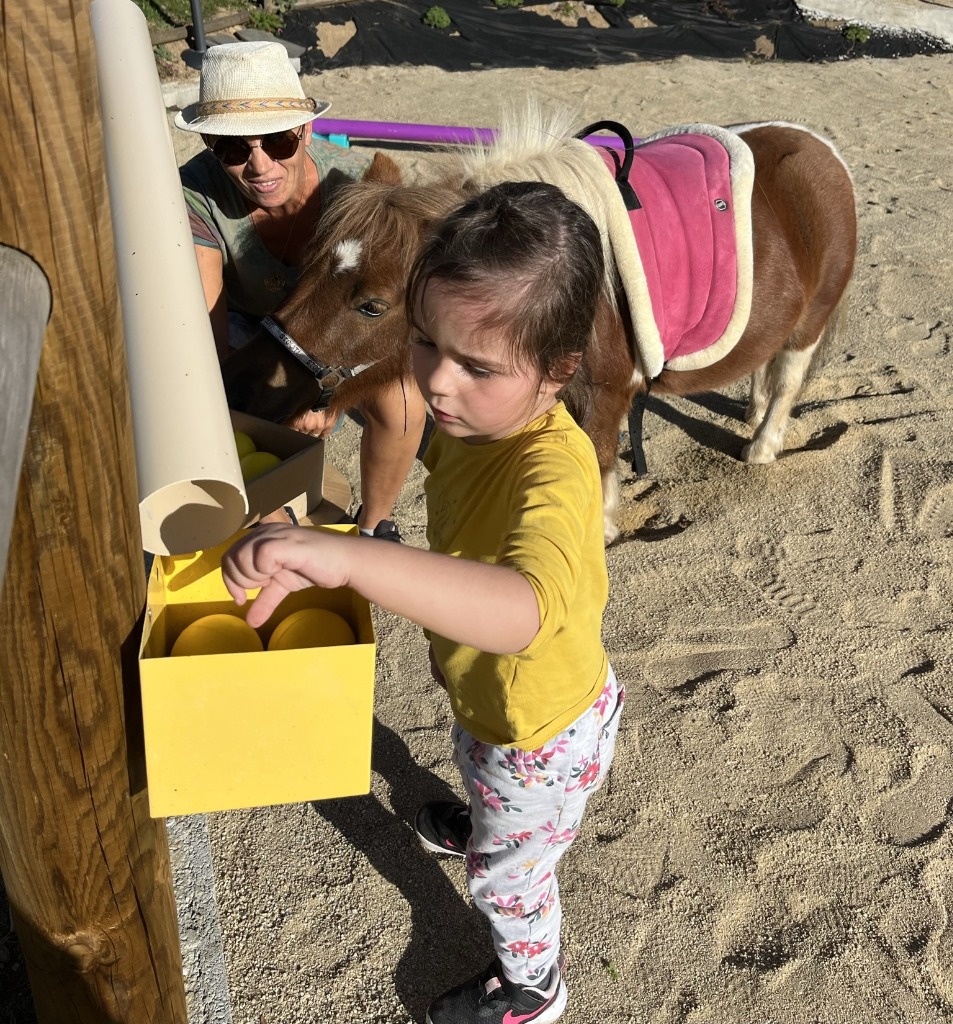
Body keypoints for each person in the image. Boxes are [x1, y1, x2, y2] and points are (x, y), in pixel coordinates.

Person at [220, 181, 625, 1024]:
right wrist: (340, 531)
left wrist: (350, 562)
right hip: (492, 707)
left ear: (558, 370)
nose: (439, 383)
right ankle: (485, 822)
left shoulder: (550, 469)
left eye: (477, 366)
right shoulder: (475, 421)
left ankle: (531, 988)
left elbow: (521, 610)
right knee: (477, 765)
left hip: (539, 731)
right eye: (425, 343)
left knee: (508, 881)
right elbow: (402, 428)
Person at [176, 40, 425, 538]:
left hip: (331, 329)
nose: (260, 166)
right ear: (208, 147)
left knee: (403, 402)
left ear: (305, 130)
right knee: (230, 398)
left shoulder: (353, 186)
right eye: (231, 148)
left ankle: (374, 526)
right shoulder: (194, 194)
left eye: (278, 141)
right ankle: (262, 517)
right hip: (249, 325)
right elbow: (211, 338)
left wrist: (327, 395)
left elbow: (382, 311)